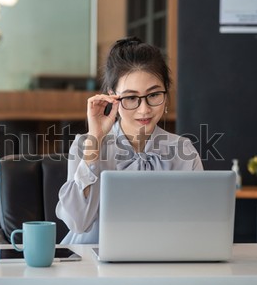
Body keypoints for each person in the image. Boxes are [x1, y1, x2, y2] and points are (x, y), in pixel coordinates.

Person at [55, 37, 203, 244]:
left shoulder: (183, 151)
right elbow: (77, 223)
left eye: (153, 95)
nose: (144, 109)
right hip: (91, 262)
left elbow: (198, 225)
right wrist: (95, 139)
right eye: (131, 98)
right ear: (112, 98)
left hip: (161, 260)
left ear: (166, 93)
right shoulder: (85, 145)